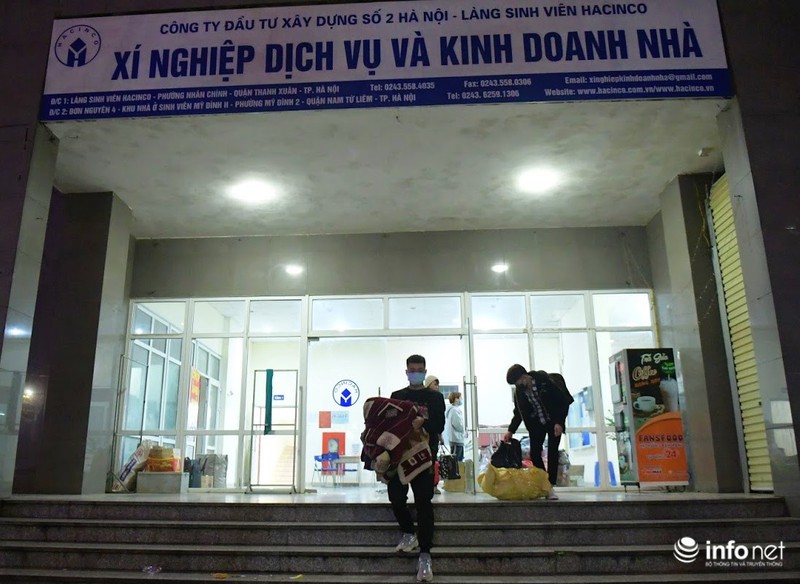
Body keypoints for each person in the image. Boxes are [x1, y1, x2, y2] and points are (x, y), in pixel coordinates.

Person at [389, 354, 445, 583]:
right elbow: (389, 423)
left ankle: (425, 555)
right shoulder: (397, 396)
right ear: (406, 372)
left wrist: (425, 423)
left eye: (419, 370)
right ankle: (408, 532)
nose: (415, 373)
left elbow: (439, 425)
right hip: (400, 457)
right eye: (412, 370)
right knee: (396, 498)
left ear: (424, 371)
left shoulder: (435, 397)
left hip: (424, 457)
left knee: (423, 503)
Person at [502, 365, 572, 500]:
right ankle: (544, 483)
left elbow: (561, 401)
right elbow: (518, 413)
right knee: (534, 454)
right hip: (536, 425)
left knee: (552, 452)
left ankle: (550, 485)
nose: (518, 385)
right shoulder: (520, 393)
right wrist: (511, 430)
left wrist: (559, 422)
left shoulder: (544, 380)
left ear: (524, 376)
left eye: (518, 382)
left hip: (553, 422)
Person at [423, 375, 444, 494]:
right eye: (435, 384)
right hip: (422, 438)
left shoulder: (438, 398)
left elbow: (439, 421)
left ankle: (433, 485)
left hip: (433, 436)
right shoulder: (423, 399)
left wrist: (439, 435)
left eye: (437, 385)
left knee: (432, 461)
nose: (437, 387)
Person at [445, 391, 465, 462]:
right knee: (456, 461)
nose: (461, 399)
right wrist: (464, 430)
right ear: (456, 399)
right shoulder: (454, 410)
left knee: (457, 460)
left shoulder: (452, 410)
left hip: (455, 439)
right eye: (460, 398)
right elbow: (458, 424)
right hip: (456, 439)